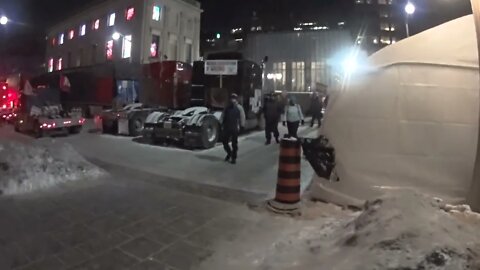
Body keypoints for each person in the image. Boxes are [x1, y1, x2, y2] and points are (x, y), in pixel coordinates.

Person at [222, 93, 246, 164]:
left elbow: (242, 116)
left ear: (236, 99)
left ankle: (234, 158)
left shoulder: (239, 108)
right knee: (224, 142)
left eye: (234, 98)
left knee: (234, 144)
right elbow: (223, 115)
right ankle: (229, 153)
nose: (233, 100)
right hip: (227, 127)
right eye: (232, 98)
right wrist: (221, 124)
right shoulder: (227, 107)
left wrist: (242, 126)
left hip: (235, 127)